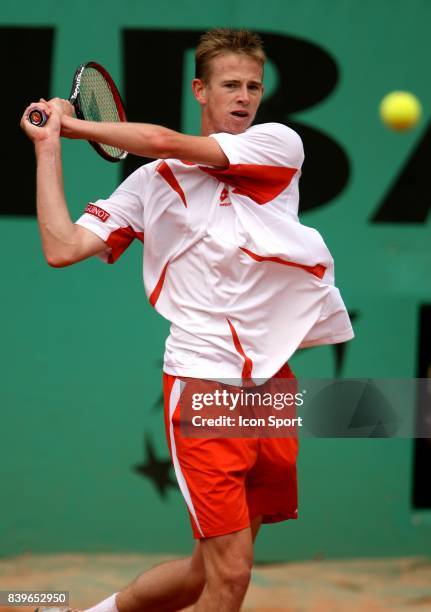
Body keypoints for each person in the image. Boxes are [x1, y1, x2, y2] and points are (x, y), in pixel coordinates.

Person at [22, 28, 353, 612]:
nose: (244, 96)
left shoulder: (277, 145)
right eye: (230, 85)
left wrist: (73, 126)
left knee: (207, 570)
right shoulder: (149, 185)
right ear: (201, 90)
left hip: (272, 387)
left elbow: (157, 138)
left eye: (253, 86)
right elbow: (63, 245)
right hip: (202, 383)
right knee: (232, 578)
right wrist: (49, 149)